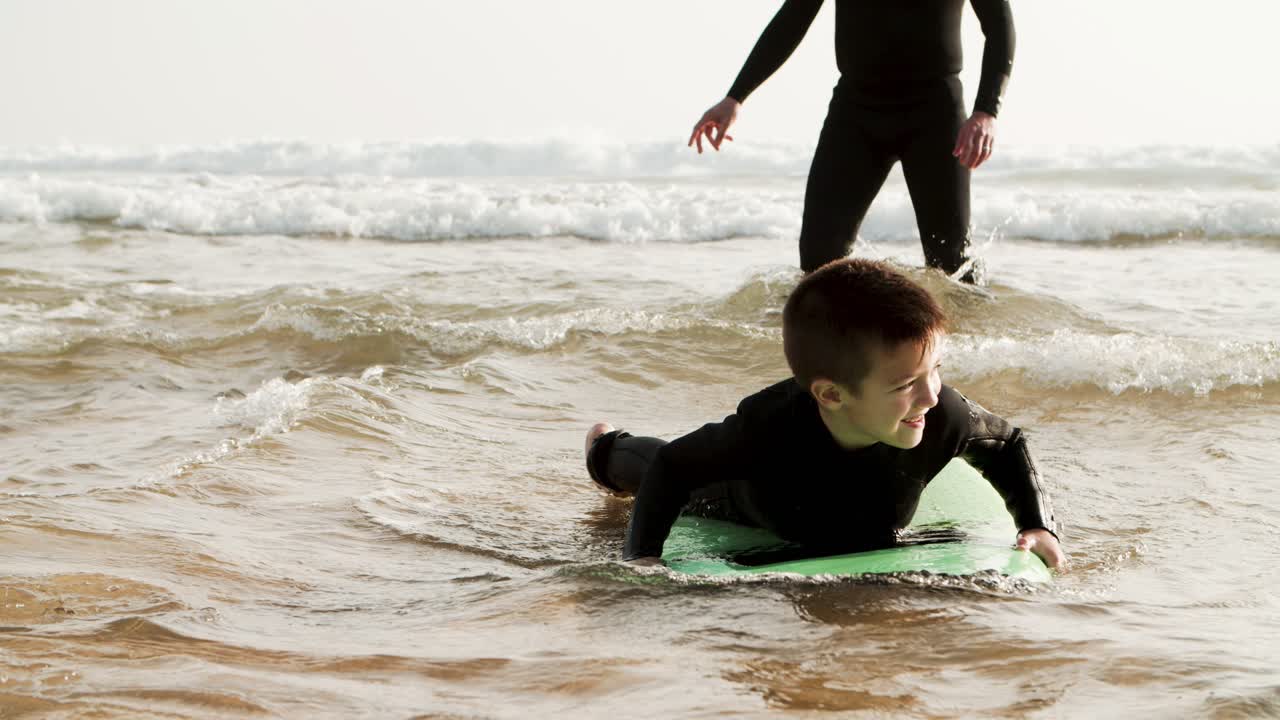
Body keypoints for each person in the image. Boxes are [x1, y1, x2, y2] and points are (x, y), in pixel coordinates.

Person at [582, 258, 1065, 569]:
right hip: (750, 502)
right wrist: (642, 557)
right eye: (905, 384)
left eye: (935, 370)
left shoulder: (945, 416)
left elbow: (1008, 444)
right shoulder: (767, 429)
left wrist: (1037, 524)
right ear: (832, 395)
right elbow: (673, 468)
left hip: (852, 511)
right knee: (668, 473)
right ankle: (605, 449)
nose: (931, 396)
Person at [688, 0, 1015, 279]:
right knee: (819, 259)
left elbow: (999, 26)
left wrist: (986, 111)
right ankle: (837, 331)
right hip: (856, 114)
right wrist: (736, 96)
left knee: (951, 262)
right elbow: (794, 17)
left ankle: (968, 331)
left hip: (935, 115)